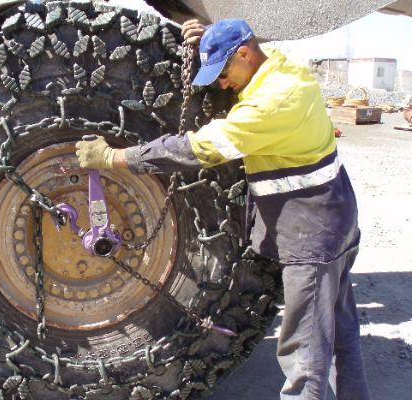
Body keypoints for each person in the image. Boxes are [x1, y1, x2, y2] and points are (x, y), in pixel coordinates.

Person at [76, 19, 371, 400]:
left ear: (246, 53)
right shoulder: (285, 68)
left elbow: (198, 149)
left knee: (304, 352)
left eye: (224, 72)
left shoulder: (274, 103)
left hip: (313, 233)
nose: (223, 84)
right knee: (340, 329)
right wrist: (210, 44)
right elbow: (250, 87)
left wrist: (116, 157)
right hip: (336, 219)